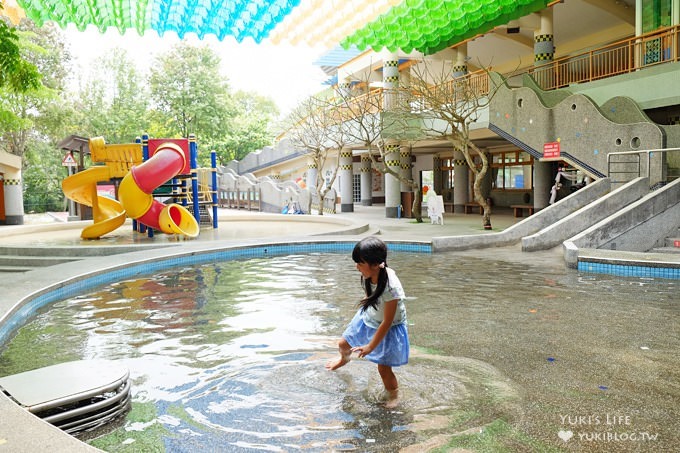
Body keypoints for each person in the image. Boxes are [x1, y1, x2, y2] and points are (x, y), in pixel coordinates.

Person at [326, 236, 409, 407]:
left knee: (383, 369)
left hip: (389, 325)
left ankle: (394, 396)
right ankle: (344, 359)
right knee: (343, 344)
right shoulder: (370, 274)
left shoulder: (391, 288)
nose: (356, 267)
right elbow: (370, 295)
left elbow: (387, 322)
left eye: (360, 263)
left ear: (374, 264)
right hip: (370, 315)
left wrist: (370, 346)